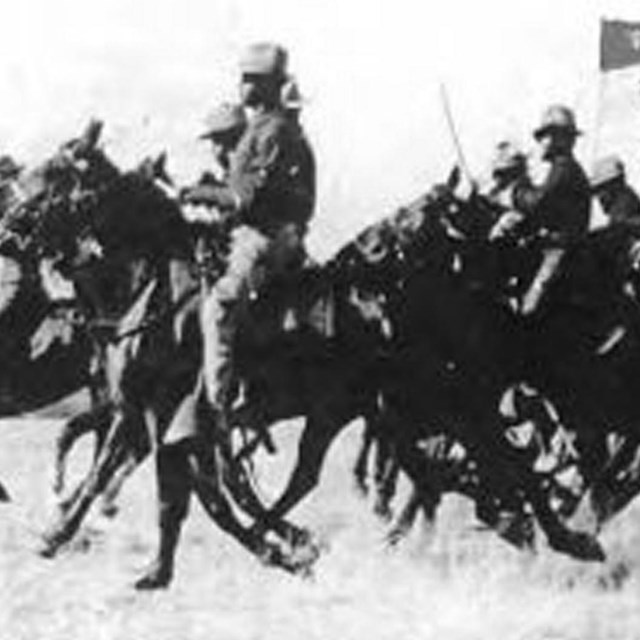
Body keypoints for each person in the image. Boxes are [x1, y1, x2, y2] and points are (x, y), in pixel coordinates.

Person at [181, 42, 316, 420]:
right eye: (243, 79)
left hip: (264, 237)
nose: (242, 86)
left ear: (270, 84)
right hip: (259, 232)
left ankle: (216, 409)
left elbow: (246, 199)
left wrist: (199, 193)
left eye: (251, 79)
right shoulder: (261, 127)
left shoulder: (272, 131)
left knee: (218, 308)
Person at [511, 105, 591, 316]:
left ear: (561, 139)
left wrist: (518, 188)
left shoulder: (564, 168)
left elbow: (538, 203)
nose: (542, 142)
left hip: (560, 251)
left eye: (546, 136)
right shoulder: (562, 168)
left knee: (529, 308)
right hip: (555, 247)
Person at [590, 155, 640, 230]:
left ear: (614, 186)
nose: (599, 197)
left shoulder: (622, 210)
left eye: (600, 189)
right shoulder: (626, 203)